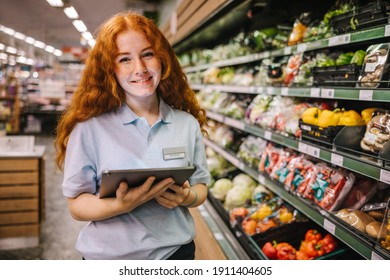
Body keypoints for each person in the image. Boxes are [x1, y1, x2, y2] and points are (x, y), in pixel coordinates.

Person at [54, 10, 210, 260]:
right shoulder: (89, 128)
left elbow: (201, 185)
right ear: (110, 69)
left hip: (175, 255)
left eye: (147, 54)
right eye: (124, 59)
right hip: (107, 259)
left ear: (162, 58)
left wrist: (187, 196)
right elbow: (76, 205)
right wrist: (121, 205)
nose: (140, 69)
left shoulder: (186, 124)